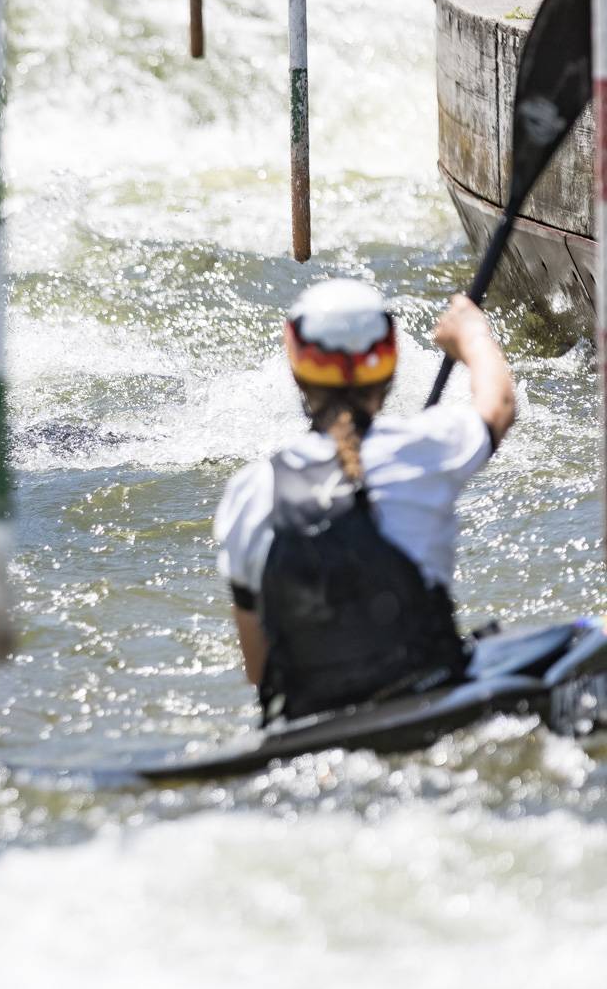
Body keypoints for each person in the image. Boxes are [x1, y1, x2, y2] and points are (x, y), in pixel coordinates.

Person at [213, 279, 517, 725]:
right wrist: (471, 334)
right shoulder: (427, 446)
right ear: (388, 363)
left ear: (297, 363)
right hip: (434, 701)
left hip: (310, 728)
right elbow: (500, 404)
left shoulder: (250, 490)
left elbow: (257, 671)